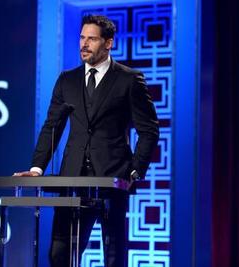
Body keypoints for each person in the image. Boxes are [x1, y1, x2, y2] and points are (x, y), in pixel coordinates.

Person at [14, 15, 159, 267]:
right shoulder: (66, 80)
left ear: (108, 43)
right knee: (59, 256)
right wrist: (37, 168)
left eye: (91, 39)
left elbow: (149, 130)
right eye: (82, 38)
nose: (84, 44)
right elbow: (52, 126)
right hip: (72, 180)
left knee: (114, 259)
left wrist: (134, 172)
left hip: (112, 181)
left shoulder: (129, 79)